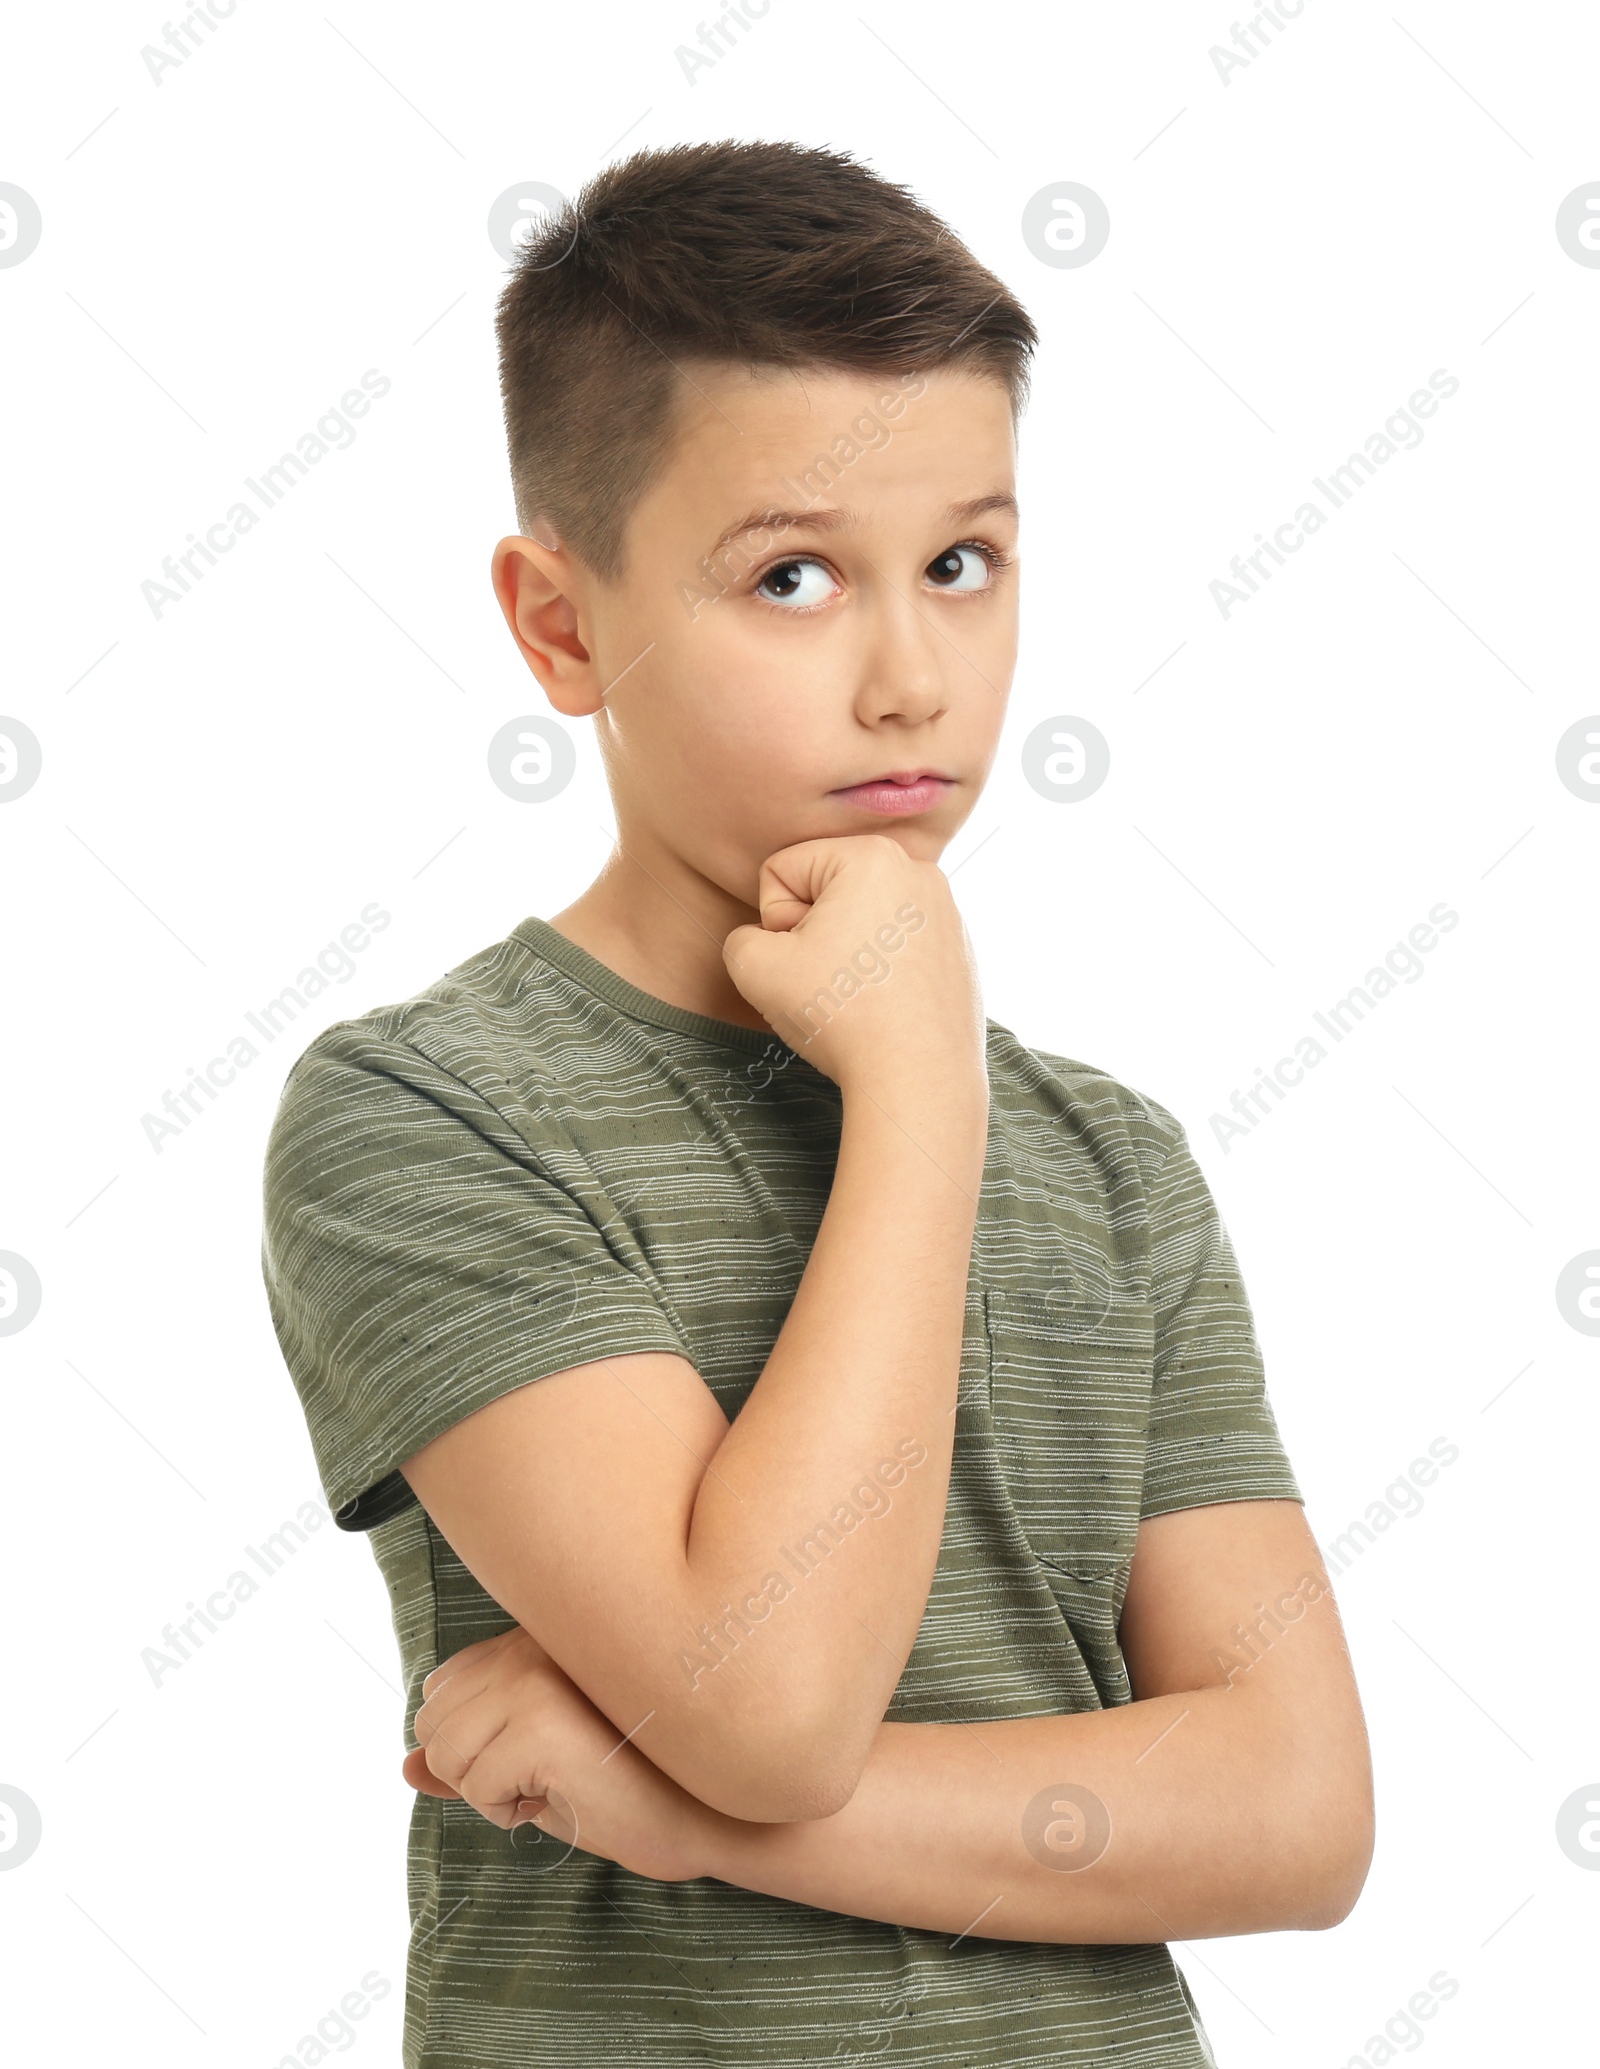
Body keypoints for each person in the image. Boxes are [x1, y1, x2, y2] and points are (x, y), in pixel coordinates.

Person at [261, 138, 1373, 2069]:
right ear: (561, 626)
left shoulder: (1114, 1163)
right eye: (792, 577)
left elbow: (1295, 1812)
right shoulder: (425, 1122)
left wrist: (674, 1813)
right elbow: (764, 1687)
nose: (912, 678)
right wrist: (920, 1095)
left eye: (964, 563)